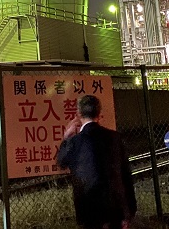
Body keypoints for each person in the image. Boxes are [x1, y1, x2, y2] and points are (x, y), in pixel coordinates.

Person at [57, 94, 137, 229]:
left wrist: (66, 137)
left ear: (79, 113)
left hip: (89, 210)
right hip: (115, 208)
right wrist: (128, 211)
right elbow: (126, 175)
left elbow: (61, 162)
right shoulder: (115, 138)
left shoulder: (74, 142)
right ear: (99, 113)